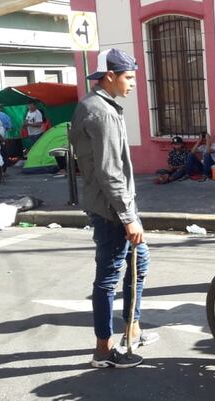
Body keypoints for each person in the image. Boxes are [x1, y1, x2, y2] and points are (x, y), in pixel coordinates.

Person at [69, 48, 159, 369]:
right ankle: (104, 350)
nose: (133, 83)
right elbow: (109, 171)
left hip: (109, 204)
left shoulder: (95, 106)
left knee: (140, 261)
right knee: (107, 278)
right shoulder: (102, 112)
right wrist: (129, 217)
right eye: (129, 77)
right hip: (111, 209)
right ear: (110, 76)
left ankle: (131, 329)